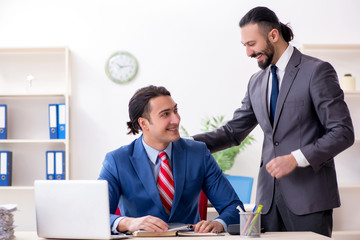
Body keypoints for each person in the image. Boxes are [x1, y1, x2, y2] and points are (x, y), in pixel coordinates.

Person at [193, 6, 354, 237]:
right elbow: (232, 132)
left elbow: (342, 132)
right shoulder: (256, 81)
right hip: (267, 202)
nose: (248, 53)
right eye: (245, 46)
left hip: (309, 199)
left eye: (251, 44)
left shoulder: (317, 71)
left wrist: (296, 158)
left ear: (273, 35)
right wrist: (185, 142)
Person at [98, 85, 243, 234]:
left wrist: (219, 223)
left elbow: (234, 207)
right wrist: (128, 223)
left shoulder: (198, 153)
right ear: (143, 123)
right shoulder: (117, 160)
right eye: (165, 114)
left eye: (175, 111)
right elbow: (96, 214)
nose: (176, 119)